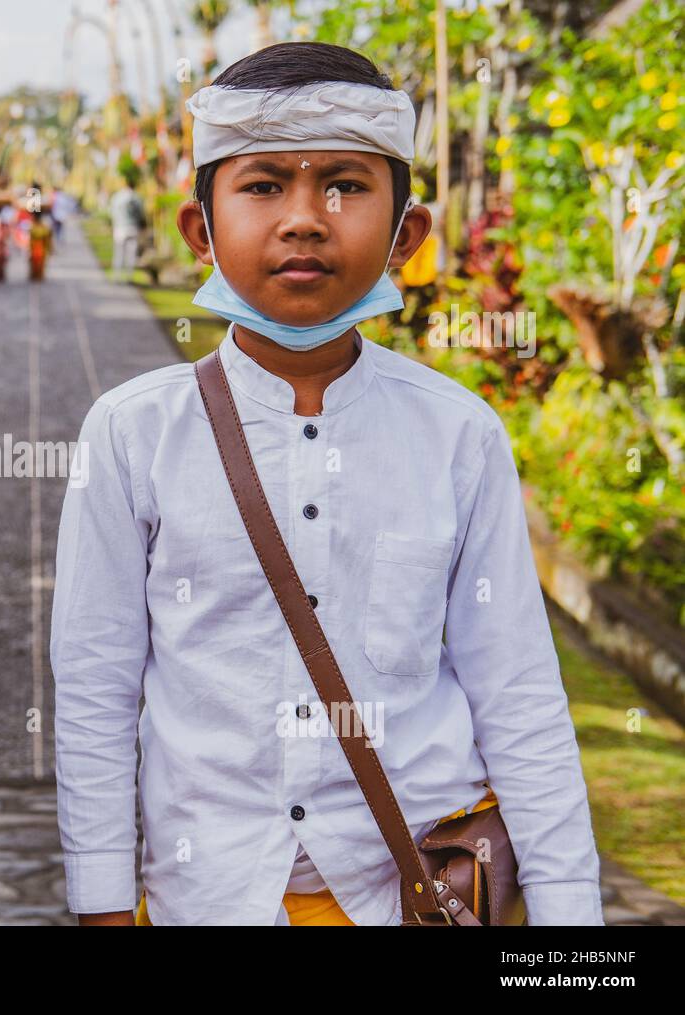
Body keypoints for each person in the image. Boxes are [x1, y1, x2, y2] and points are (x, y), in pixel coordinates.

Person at [50, 42, 603, 926]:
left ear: (405, 234)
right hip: (210, 894)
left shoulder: (458, 434)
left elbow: (519, 688)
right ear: (201, 230)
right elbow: (93, 687)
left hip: (415, 889)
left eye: (345, 185)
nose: (304, 218)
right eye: (263, 185)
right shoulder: (131, 434)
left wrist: (573, 919)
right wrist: (104, 900)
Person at [108, 175, 145, 280]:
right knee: (131, 253)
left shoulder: (117, 197)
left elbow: (112, 212)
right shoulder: (136, 197)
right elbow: (140, 213)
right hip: (133, 228)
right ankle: (129, 276)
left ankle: (117, 275)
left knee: (119, 253)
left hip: (120, 228)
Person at [28, 208, 53, 282]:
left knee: (38, 264)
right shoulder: (42, 227)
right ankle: (37, 276)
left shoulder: (35, 226)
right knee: (36, 264)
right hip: (37, 248)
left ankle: (37, 276)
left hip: (39, 248)